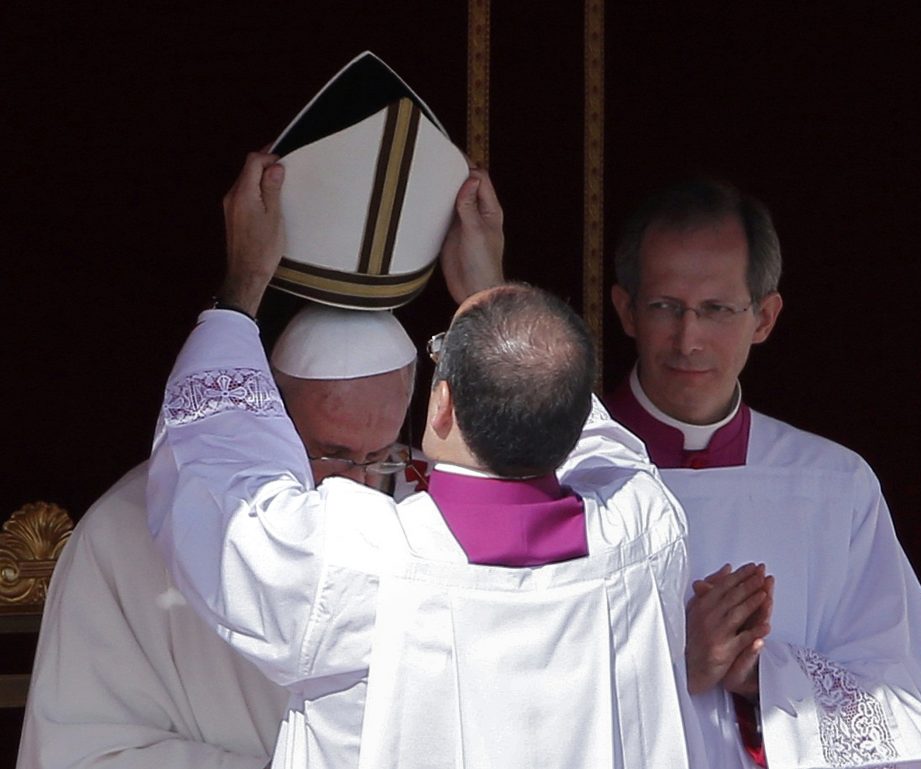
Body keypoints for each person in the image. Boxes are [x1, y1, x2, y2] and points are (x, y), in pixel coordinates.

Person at [145, 152, 707, 769]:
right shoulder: (645, 531)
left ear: (440, 406)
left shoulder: (353, 567)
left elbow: (218, 484)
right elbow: (592, 435)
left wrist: (241, 286)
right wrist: (493, 294)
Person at [16, 159, 504, 769]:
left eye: (380, 455)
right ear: (267, 419)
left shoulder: (432, 513)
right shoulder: (123, 533)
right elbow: (84, 753)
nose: (359, 484)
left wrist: (488, 300)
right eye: (331, 454)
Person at [605, 179, 921, 768]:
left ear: (765, 317)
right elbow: (493, 688)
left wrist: (761, 674)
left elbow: (916, 705)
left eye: (717, 309)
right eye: (665, 306)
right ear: (626, 310)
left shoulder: (833, 486)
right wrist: (675, 664)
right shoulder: (562, 469)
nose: (689, 338)